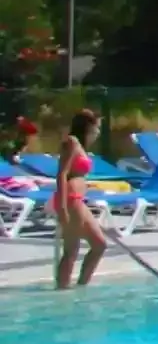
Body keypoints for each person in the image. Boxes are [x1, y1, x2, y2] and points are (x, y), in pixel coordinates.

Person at [52, 109, 108, 289]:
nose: (98, 132)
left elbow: (76, 174)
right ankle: (62, 290)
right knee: (71, 250)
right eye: (97, 127)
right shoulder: (72, 142)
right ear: (88, 126)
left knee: (99, 245)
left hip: (77, 199)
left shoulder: (80, 146)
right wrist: (62, 208)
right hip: (69, 199)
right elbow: (62, 174)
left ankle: (80, 287)